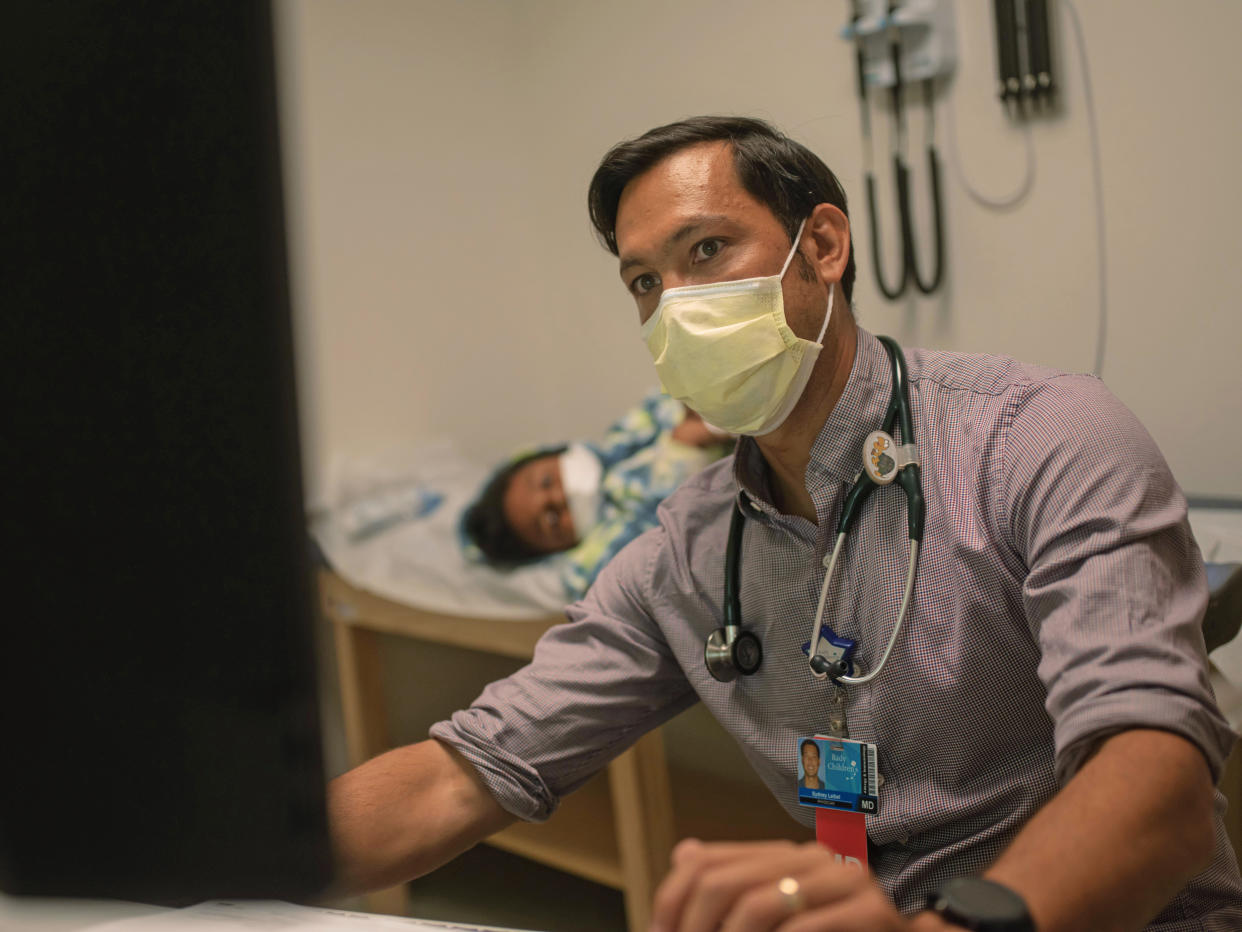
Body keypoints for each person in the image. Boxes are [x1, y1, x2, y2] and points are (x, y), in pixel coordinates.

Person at [328, 116, 1242, 931]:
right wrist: (225, 856)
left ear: (826, 245)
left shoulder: (1040, 438)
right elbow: (463, 772)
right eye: (644, 281)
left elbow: (1156, 781)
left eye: (707, 251)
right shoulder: (685, 554)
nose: (675, 308)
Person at [461, 395, 731, 599]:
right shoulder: (600, 568)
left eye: (546, 481)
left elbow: (672, 398)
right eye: (552, 519)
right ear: (554, 551)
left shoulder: (628, 436)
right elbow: (662, 556)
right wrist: (685, 450)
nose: (560, 495)